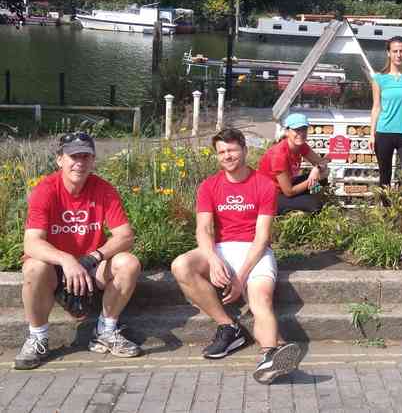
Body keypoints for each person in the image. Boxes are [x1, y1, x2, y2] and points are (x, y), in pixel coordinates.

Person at [171, 128, 301, 383]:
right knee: (181, 265)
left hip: (256, 251)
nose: (227, 156)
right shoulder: (209, 186)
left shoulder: (264, 184)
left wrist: (240, 278)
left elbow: (262, 237)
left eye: (232, 149)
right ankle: (229, 326)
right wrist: (213, 258)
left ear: (244, 150)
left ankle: (269, 356)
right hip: (222, 248)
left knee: (260, 299)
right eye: (221, 152)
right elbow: (204, 229)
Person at [15, 132, 142, 370]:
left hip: (90, 267)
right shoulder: (45, 190)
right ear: (59, 159)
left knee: (129, 263)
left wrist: (92, 258)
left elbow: (125, 235)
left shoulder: (103, 189)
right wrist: (66, 260)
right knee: (33, 266)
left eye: (86, 156)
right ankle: (37, 338)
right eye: (73, 156)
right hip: (55, 270)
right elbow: (31, 243)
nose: (79, 163)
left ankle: (105, 331)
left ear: (93, 160)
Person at [369, 36, 402, 207]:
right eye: (395, 51)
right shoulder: (379, 78)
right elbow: (376, 107)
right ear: (388, 53)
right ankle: (386, 214)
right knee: (384, 176)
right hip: (384, 132)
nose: (399, 55)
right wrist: (372, 134)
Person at [258, 113, 329, 215]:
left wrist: (317, 169)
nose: (301, 133)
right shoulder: (279, 155)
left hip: (286, 187)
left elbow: (321, 162)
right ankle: (296, 209)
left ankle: (306, 201)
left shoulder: (301, 145)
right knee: (315, 205)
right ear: (287, 132)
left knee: (323, 180)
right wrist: (314, 179)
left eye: (304, 129)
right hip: (270, 196)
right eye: (296, 130)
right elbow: (289, 192)